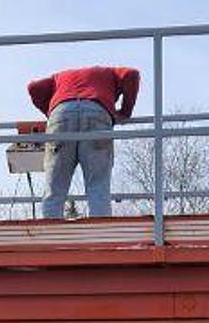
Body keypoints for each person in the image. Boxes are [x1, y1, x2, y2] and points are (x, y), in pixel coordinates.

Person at [27, 65, 140, 219]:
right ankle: (100, 230)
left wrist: (51, 113)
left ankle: (50, 229)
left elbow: (33, 87)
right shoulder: (110, 73)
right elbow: (131, 74)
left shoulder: (59, 77)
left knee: (54, 187)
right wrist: (126, 111)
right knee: (98, 186)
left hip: (61, 114)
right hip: (97, 112)